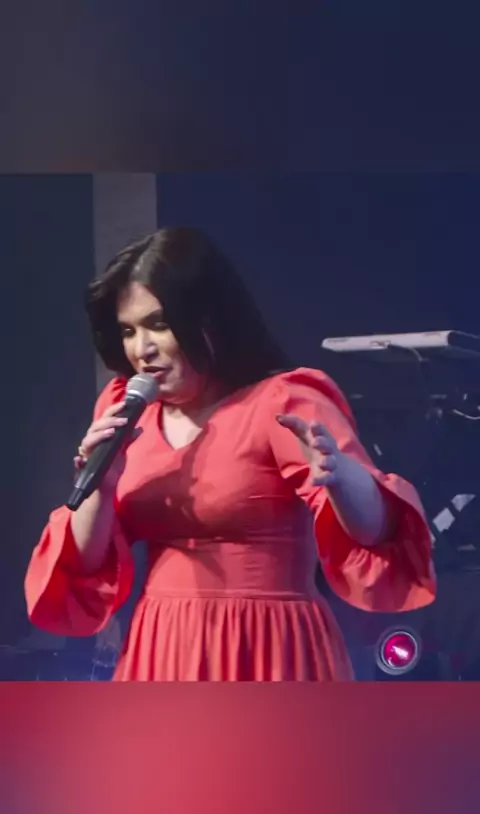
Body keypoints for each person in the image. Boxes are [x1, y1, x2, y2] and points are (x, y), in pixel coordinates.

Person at [24, 227, 436, 681]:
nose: (142, 349)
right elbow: (86, 563)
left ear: (209, 320)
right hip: (162, 645)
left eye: (159, 324)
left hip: (268, 645)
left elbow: (376, 532)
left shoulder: (282, 400)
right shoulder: (125, 406)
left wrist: (341, 477)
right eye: (128, 330)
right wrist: (101, 486)